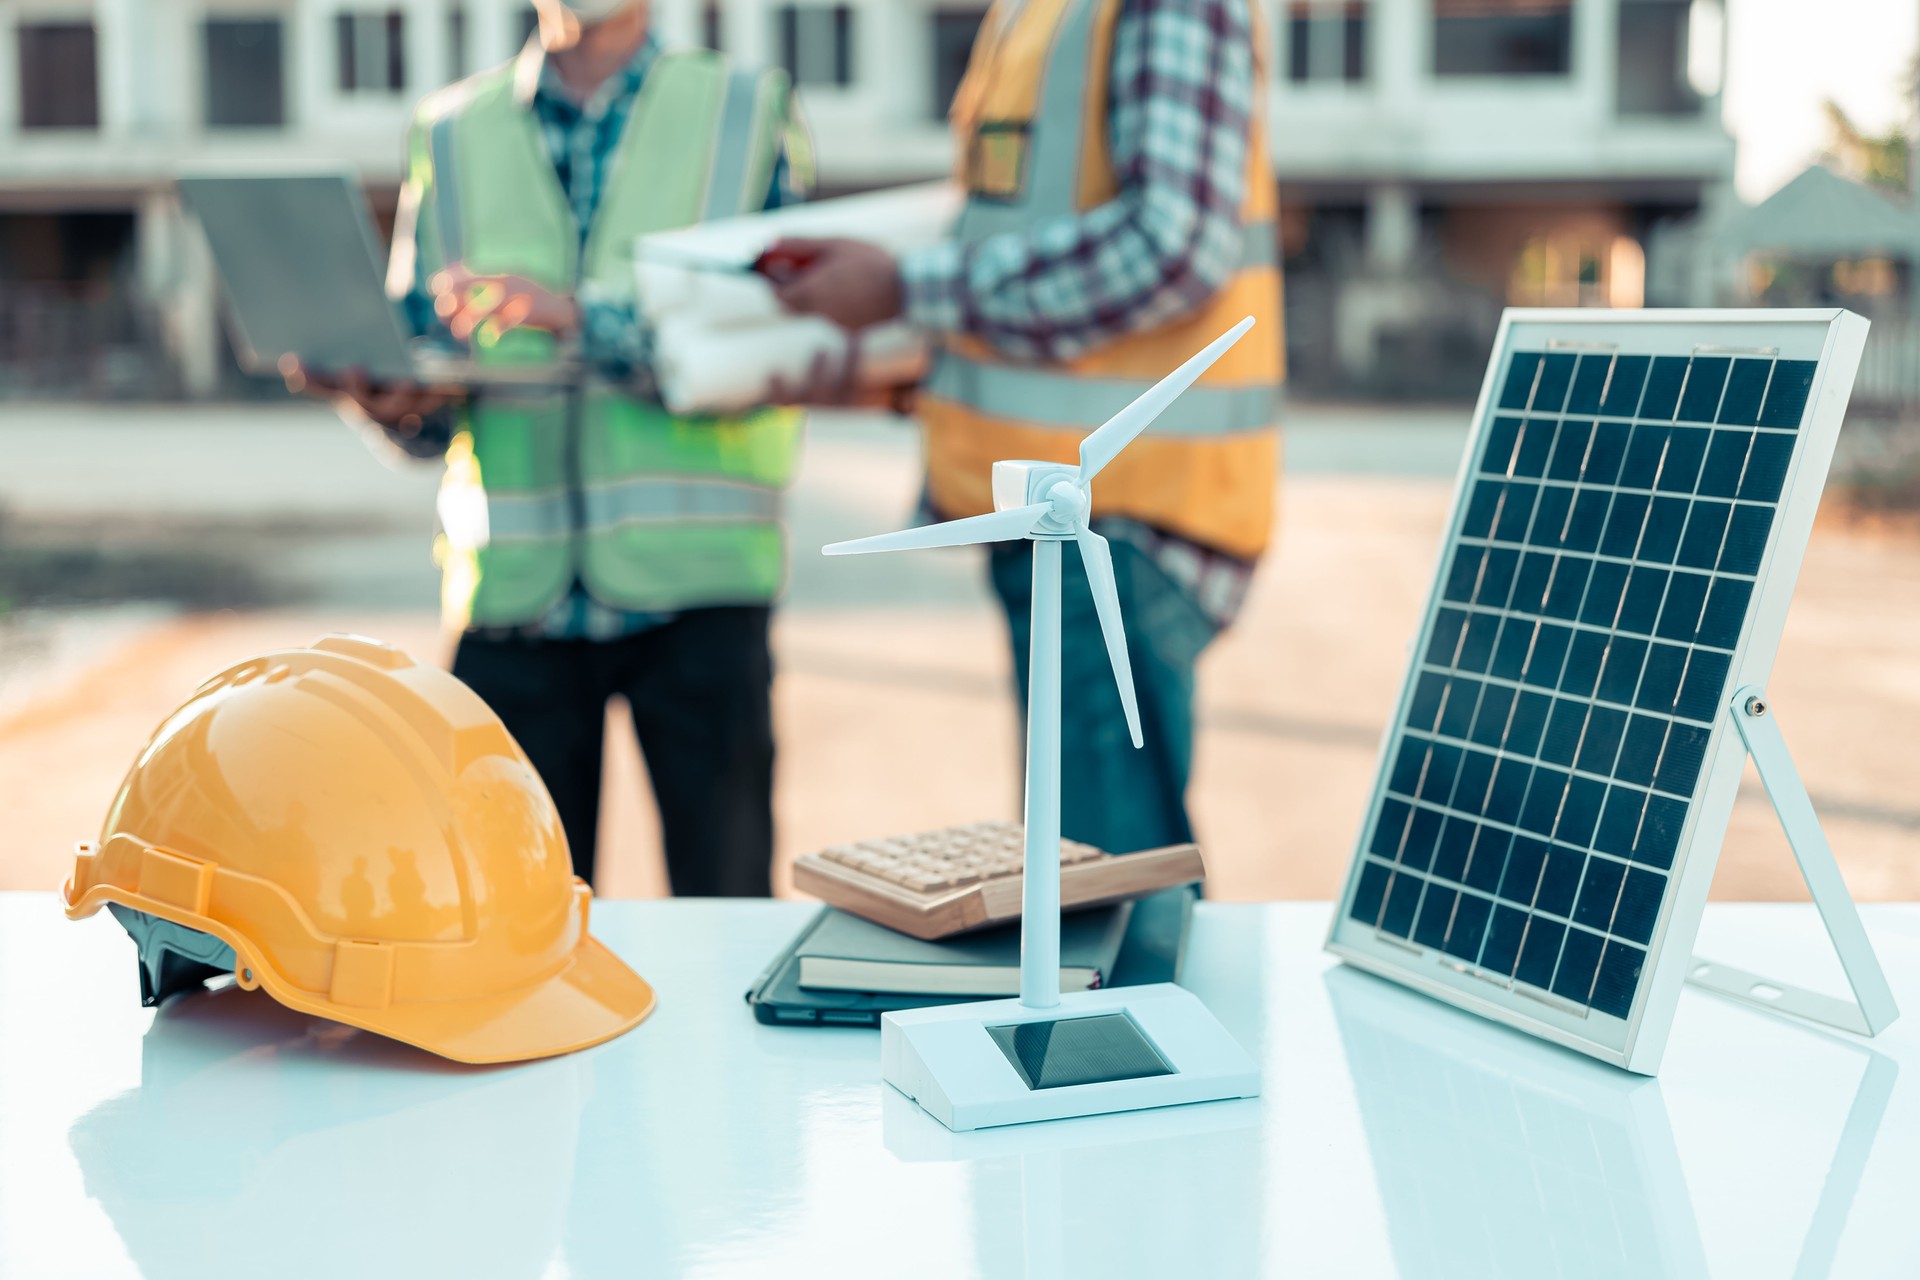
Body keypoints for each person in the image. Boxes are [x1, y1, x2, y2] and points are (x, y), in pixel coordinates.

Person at [292, 0, 812, 896]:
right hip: (512, 596)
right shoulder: (451, 130)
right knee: (512, 932)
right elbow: (432, 378)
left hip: (701, 593)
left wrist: (580, 316)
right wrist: (387, 396)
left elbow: (782, 330)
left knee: (725, 917)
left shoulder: (744, 107)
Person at [768, 0, 1283, 858]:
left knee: (1106, 913)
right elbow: (1025, 233)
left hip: (1117, 526)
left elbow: (1176, 243)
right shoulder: (1040, 15)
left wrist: (910, 291)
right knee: (1085, 897)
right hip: (1069, 521)